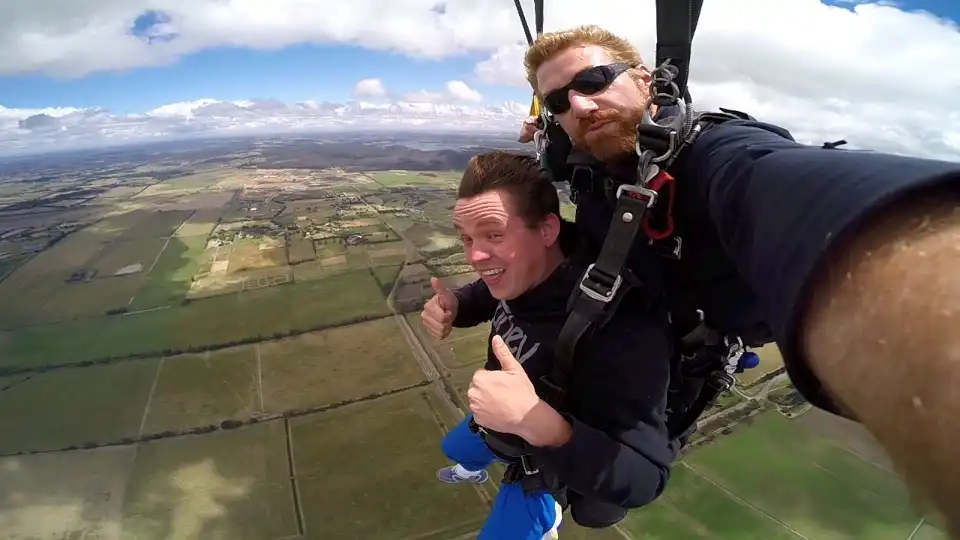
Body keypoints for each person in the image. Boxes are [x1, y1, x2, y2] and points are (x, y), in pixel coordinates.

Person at [442, 24, 960, 533]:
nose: (578, 106)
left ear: (644, 81)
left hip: (646, 373)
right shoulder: (592, 166)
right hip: (586, 355)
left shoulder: (715, 157)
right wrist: (467, 301)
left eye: (595, 80)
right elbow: (557, 254)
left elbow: (791, 190)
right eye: (558, 102)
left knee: (590, 503)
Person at [423, 150, 682, 537]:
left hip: (542, 455)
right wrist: (457, 305)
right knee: (456, 449)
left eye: (494, 234)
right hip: (500, 413)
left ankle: (547, 518)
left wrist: (537, 423)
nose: (475, 256)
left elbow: (646, 477)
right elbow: (495, 290)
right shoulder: (527, 270)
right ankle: (470, 468)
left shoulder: (620, 330)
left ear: (547, 230)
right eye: (467, 239)